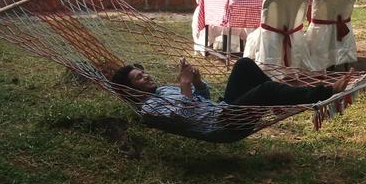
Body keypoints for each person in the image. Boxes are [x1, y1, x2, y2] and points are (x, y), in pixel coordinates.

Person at [111, 57, 352, 119]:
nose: (147, 77)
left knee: (244, 64)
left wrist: (195, 81)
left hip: (222, 108)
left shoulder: (162, 90)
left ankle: (280, 100)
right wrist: (184, 86)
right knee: (266, 89)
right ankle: (326, 92)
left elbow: (201, 98)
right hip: (221, 121)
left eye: (144, 74)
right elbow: (184, 118)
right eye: (140, 79)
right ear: (132, 90)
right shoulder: (150, 107)